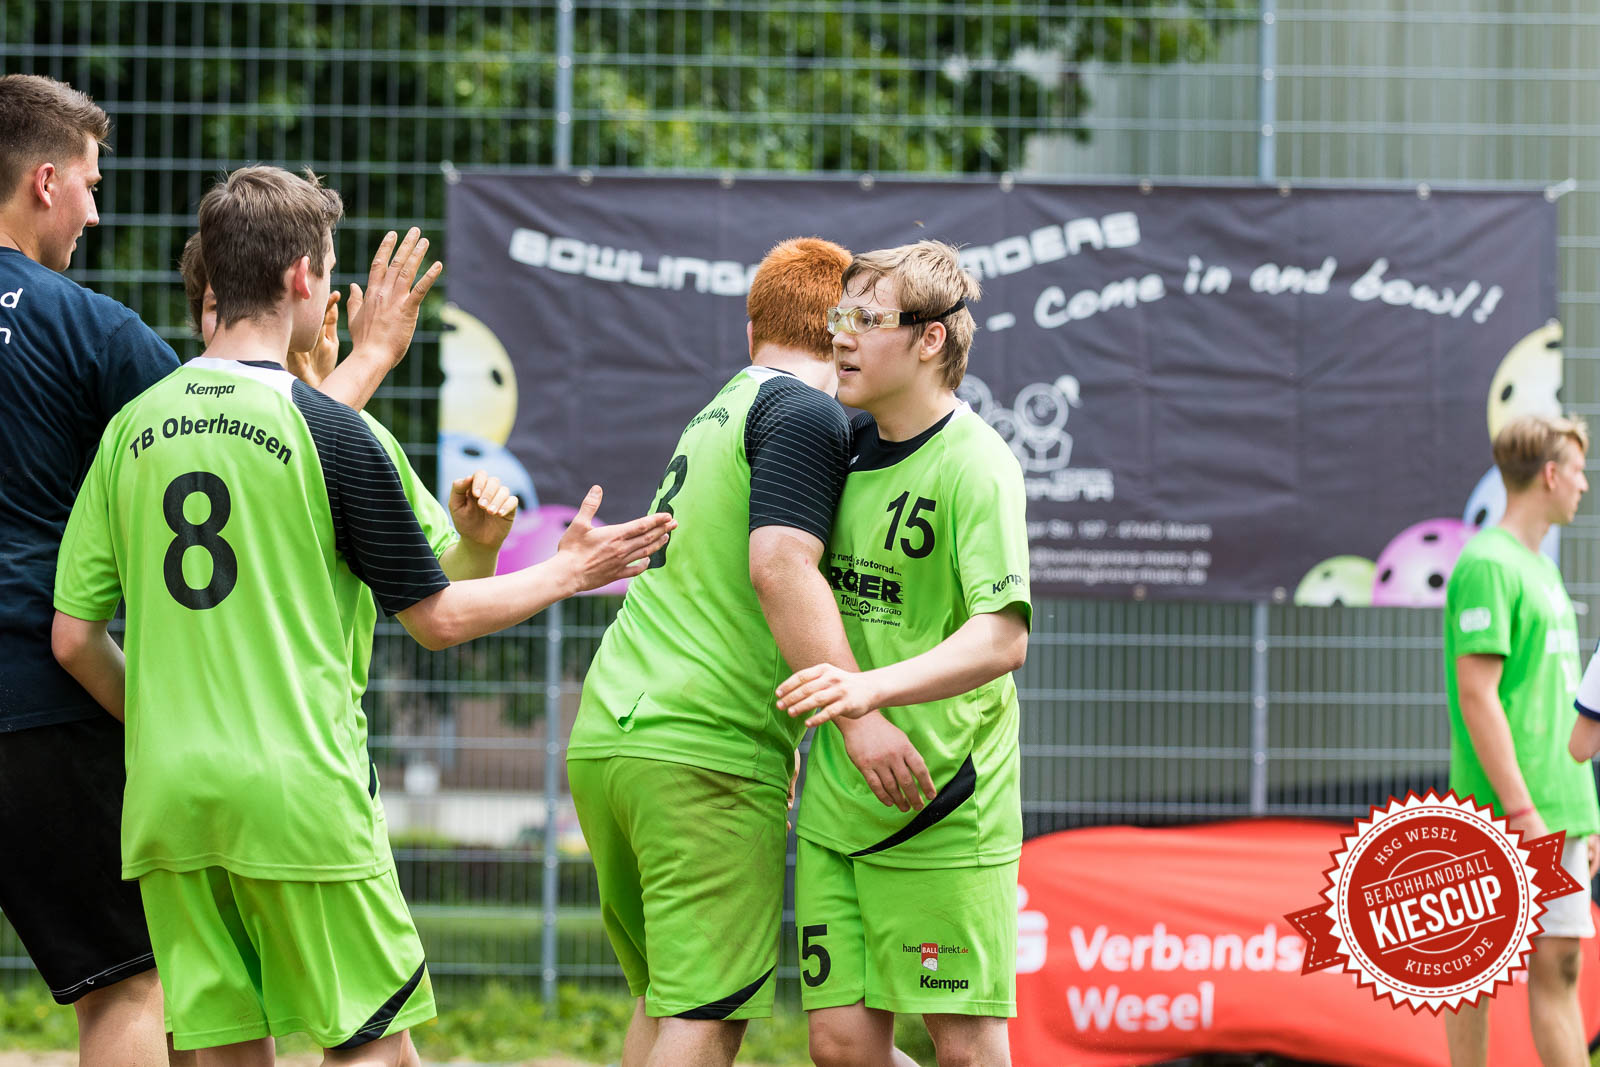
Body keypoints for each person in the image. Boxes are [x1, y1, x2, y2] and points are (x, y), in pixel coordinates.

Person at [51, 165, 673, 1064]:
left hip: (168, 799)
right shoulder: (330, 431)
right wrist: (570, 569)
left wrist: (163, 718)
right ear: (303, 278)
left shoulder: (131, 427)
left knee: (220, 1050)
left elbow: (74, 636)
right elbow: (438, 618)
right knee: (371, 1047)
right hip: (298, 794)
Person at [0, 74, 422, 1065]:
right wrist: (364, 363)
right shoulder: (82, 326)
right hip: (33, 693)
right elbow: (239, 420)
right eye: (94, 185)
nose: (98, 211)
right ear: (48, 181)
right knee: (130, 983)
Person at [568, 236, 936, 1067]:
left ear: (751, 330)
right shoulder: (806, 413)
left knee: (666, 998)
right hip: (705, 746)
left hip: (614, 731)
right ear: (847, 329)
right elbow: (778, 565)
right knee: (704, 1014)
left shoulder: (725, 406)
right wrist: (859, 716)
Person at [776, 241, 1031, 1067]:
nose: (841, 337)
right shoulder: (834, 447)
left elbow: (1003, 637)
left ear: (931, 339)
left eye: (866, 319)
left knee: (964, 1047)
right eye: (838, 317)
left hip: (942, 802)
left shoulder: (978, 464)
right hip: (837, 803)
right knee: (840, 1047)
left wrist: (864, 692)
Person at [1441, 413, 1598, 1067]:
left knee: (1561, 969)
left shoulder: (1541, 568)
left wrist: (1583, 819)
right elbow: (1477, 694)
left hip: (1561, 812)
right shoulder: (1485, 562)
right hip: (1501, 813)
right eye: (1580, 471)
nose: (1586, 486)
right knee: (1471, 971)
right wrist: (1522, 810)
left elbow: (1564, 706)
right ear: (1551, 474)